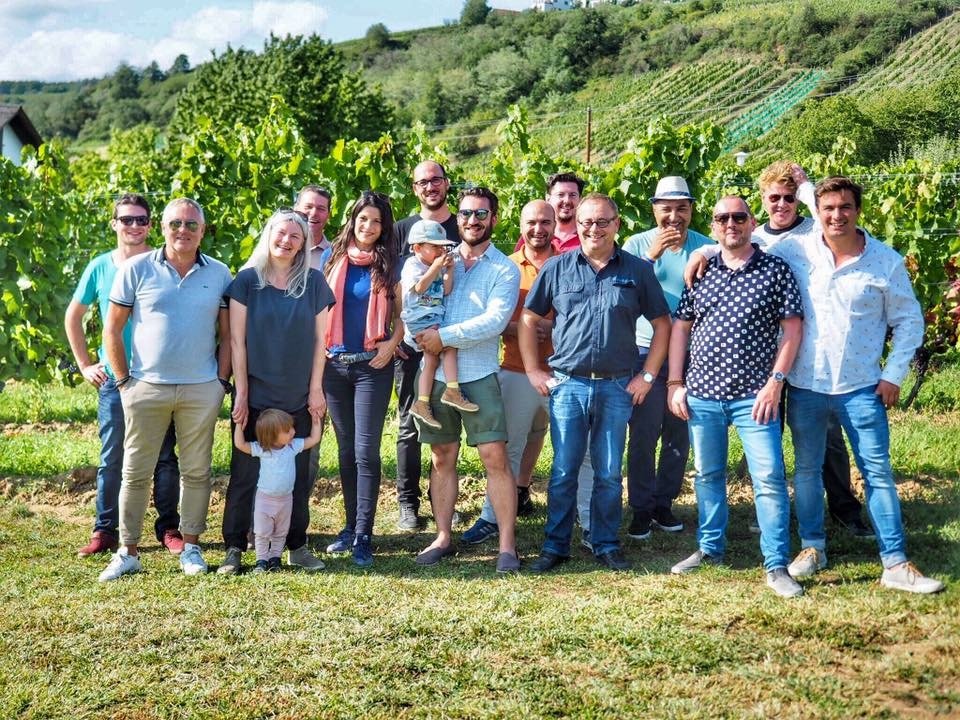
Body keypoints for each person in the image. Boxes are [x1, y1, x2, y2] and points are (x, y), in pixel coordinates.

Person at [776, 177, 943, 593]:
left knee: (877, 472)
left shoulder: (885, 262)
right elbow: (746, 248)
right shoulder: (797, 249)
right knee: (807, 471)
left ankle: (895, 562)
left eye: (845, 207)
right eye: (828, 208)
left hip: (862, 388)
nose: (837, 215)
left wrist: (893, 375)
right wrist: (704, 251)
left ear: (857, 210)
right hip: (806, 386)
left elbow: (909, 321)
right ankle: (813, 547)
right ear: (818, 212)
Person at [521, 193, 671, 573]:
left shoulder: (637, 270)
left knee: (608, 472)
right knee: (563, 471)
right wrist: (533, 370)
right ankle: (555, 546)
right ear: (577, 225)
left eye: (603, 221)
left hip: (616, 388)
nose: (594, 229)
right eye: (587, 222)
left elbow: (662, 324)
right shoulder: (557, 268)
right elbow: (529, 318)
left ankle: (605, 543)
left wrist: (648, 375)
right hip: (568, 386)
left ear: (616, 224)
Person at [666, 197, 805, 599]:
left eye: (738, 216)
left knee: (769, 478)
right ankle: (710, 549)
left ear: (751, 222)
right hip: (703, 394)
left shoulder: (775, 269)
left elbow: (792, 330)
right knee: (707, 475)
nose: (731, 223)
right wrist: (674, 382)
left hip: (755, 396)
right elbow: (681, 327)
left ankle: (776, 564)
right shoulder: (701, 271)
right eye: (722, 218)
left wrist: (776, 382)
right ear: (713, 226)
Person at [98, 198, 232, 582]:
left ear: (203, 231)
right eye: (175, 224)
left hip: (200, 390)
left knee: (197, 472)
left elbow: (227, 336)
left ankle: (191, 547)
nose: (183, 231)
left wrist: (220, 383)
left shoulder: (220, 273)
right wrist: (124, 383)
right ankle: (128, 551)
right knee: (135, 472)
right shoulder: (136, 269)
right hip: (145, 388)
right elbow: (111, 329)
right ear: (162, 228)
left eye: (191, 225)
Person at [754, 161, 871, 537]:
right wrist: (702, 253)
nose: (782, 204)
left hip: (813, 353)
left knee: (828, 436)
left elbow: (836, 220)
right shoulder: (754, 237)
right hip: (767, 354)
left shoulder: (816, 230)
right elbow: (724, 249)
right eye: (775, 197)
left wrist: (808, 189)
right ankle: (773, 511)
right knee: (767, 433)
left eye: (789, 198)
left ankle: (844, 508)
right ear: (763, 199)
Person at [65, 194, 184, 558]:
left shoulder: (163, 264)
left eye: (141, 220)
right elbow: (74, 316)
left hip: (157, 377)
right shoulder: (100, 266)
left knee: (165, 457)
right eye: (127, 219)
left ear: (150, 225)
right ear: (114, 224)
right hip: (115, 380)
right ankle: (105, 531)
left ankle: (169, 528)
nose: (134, 226)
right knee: (112, 457)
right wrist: (85, 364)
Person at [218, 208, 334, 575]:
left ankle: (296, 546)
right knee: (244, 475)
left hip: (298, 397)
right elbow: (237, 342)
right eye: (281, 233)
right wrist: (241, 393)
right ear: (268, 235)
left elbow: (320, 342)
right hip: (256, 396)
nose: (286, 241)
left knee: (297, 475)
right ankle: (234, 548)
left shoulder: (314, 283)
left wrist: (316, 390)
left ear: (303, 245)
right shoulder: (246, 281)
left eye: (295, 237)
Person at [413, 186, 522, 573]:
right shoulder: (438, 259)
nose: (472, 221)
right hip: (435, 376)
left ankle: (507, 546)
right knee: (441, 456)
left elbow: (494, 321)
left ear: (494, 218)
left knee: (494, 457)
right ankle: (443, 537)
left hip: (478, 375)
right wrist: (418, 335)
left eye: (480, 214)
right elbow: (414, 303)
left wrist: (443, 337)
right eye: (465, 214)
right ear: (456, 219)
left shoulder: (504, 269)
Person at [621, 176, 714, 540]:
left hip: (691, 353)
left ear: (691, 210)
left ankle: (664, 502)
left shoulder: (705, 246)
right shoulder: (636, 245)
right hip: (645, 352)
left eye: (682, 208)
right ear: (654, 210)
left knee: (678, 434)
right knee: (643, 434)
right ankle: (641, 507)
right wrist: (651, 256)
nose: (674, 217)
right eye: (667, 209)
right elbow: (622, 292)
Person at [320, 191, 404, 567]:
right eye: (363, 219)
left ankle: (364, 535)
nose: (368, 226)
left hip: (372, 367)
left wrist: (392, 344)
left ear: (384, 227)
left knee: (366, 451)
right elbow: (318, 311)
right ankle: (349, 526)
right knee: (345, 450)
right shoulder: (332, 258)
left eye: (376, 221)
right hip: (335, 366)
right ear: (352, 220)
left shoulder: (391, 264)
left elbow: (404, 315)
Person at [393, 160, 462, 531]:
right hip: (412, 340)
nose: (430, 186)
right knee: (410, 421)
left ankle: (444, 501)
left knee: (449, 422)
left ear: (446, 183)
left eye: (436, 180)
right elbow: (394, 288)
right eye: (422, 182)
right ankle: (408, 501)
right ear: (414, 188)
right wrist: (395, 334)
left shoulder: (463, 225)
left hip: (450, 334)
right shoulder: (402, 230)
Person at [401, 219, 478, 429]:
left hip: (433, 319)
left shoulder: (433, 265)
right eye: (434, 246)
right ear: (417, 247)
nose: (440, 251)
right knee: (449, 345)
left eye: (442, 247)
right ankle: (452, 390)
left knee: (431, 360)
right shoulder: (413, 265)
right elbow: (419, 288)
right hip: (420, 320)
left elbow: (446, 290)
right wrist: (436, 267)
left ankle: (422, 402)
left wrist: (449, 271)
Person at [233, 409, 324, 573]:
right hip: (264, 500)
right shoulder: (263, 450)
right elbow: (240, 444)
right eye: (288, 430)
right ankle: (261, 560)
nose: (293, 432)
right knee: (261, 532)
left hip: (285, 499)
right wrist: (239, 425)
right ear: (272, 435)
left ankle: (275, 558)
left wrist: (316, 422)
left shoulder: (292, 446)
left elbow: (314, 439)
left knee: (281, 532)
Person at [514, 172, 584, 253]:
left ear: (580, 199)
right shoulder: (533, 235)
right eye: (560, 195)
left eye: (573, 195)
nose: (567, 200)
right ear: (548, 198)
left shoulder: (587, 235)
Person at [294, 184, 333, 270]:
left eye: (321, 209)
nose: (314, 213)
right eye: (308, 207)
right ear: (295, 210)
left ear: (328, 215)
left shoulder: (335, 254)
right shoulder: (282, 248)